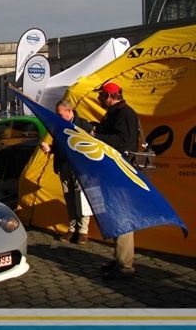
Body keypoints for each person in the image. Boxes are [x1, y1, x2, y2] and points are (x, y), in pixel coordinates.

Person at [92, 81, 140, 280]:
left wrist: (97, 136)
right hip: (113, 172)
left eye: (101, 96)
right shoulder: (115, 113)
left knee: (122, 218)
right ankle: (119, 259)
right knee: (116, 216)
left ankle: (125, 266)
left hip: (121, 173)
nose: (99, 99)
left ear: (109, 96)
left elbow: (122, 142)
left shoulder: (124, 114)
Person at [40, 99, 94, 244]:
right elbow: (58, 146)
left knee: (80, 198)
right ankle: (72, 228)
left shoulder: (83, 125)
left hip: (80, 168)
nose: (58, 116)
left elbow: (91, 147)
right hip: (64, 166)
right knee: (69, 198)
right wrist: (50, 149)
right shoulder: (59, 127)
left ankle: (83, 230)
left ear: (69, 111)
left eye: (60, 113)